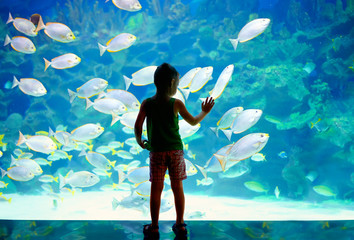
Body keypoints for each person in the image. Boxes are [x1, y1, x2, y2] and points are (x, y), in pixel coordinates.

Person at [134, 63, 215, 239]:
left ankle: (154, 226)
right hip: (175, 152)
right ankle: (180, 224)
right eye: (177, 83)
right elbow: (194, 122)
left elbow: (138, 125)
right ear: (172, 82)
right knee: (177, 187)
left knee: (156, 188)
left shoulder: (147, 104)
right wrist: (204, 111)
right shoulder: (176, 104)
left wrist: (140, 140)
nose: (178, 86)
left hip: (156, 152)